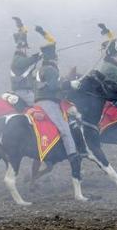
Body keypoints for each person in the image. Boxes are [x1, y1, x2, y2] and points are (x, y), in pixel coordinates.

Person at [33, 26, 82, 167]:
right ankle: (73, 155)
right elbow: (54, 87)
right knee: (65, 129)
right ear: (53, 58)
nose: (57, 59)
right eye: (56, 57)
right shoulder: (51, 70)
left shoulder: (42, 69)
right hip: (48, 103)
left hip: (41, 102)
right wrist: (70, 84)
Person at [3, 17, 41, 112]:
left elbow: (28, 67)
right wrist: (36, 57)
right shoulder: (17, 59)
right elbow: (25, 62)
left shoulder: (21, 59)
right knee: (40, 106)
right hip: (23, 92)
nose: (26, 50)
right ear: (21, 49)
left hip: (26, 90)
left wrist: (39, 57)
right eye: (25, 48)